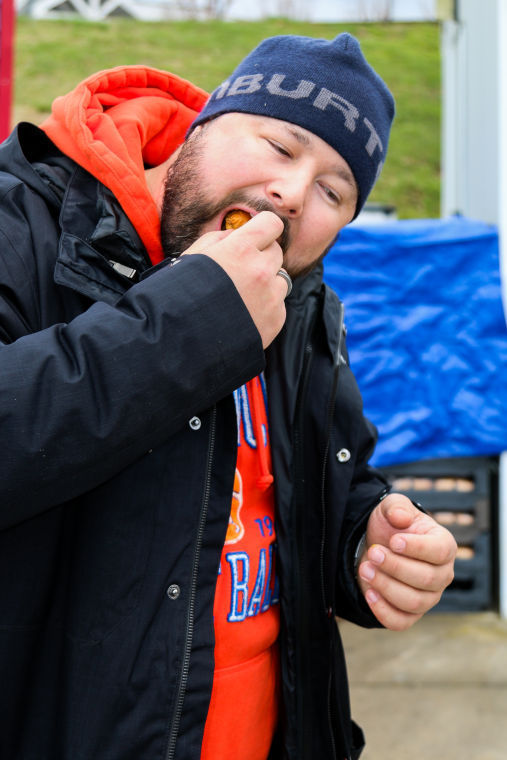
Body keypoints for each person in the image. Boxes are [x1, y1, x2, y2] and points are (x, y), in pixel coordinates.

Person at [0, 33, 456, 760]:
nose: (291, 193)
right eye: (278, 146)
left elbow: (316, 484)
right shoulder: (22, 226)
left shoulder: (301, 301)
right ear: (202, 126)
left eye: (333, 191)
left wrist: (368, 545)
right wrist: (189, 321)